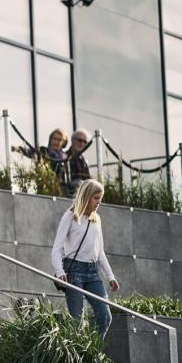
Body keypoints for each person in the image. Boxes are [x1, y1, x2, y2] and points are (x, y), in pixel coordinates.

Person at [51, 179, 119, 339]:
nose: (98, 203)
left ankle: (91, 353)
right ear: (86, 196)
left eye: (100, 199)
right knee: (76, 322)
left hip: (92, 271)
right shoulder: (70, 216)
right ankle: (78, 357)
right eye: (96, 198)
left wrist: (110, 276)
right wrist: (59, 271)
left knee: (105, 316)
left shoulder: (96, 219)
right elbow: (56, 248)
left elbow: (100, 251)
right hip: (73, 272)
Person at [66, 129, 92, 195]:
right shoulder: (64, 157)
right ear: (72, 140)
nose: (82, 143)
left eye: (85, 142)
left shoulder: (85, 161)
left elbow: (88, 179)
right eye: (79, 140)